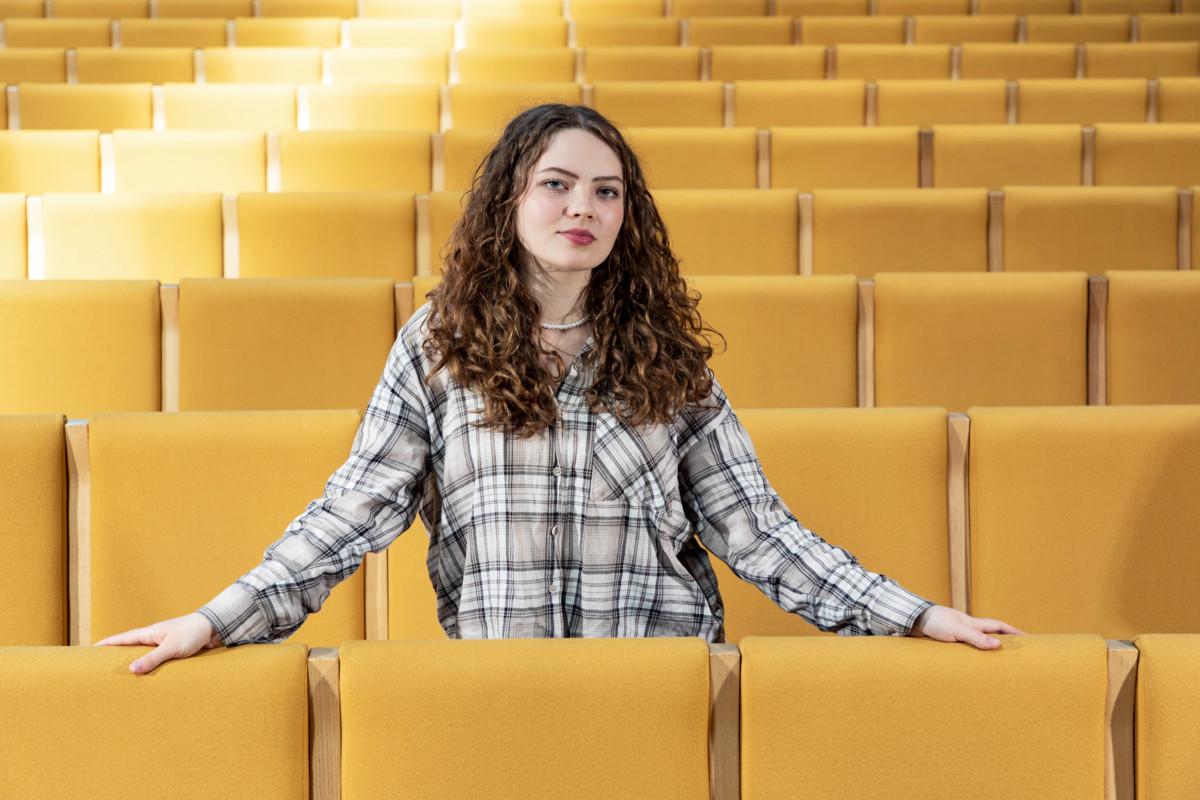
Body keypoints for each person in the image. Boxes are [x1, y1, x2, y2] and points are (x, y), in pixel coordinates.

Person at [97, 104, 1023, 674]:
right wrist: (217, 620)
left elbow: (758, 531)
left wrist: (914, 617)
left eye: (608, 192)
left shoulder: (667, 358)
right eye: (557, 184)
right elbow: (353, 513)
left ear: (629, 216)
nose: (583, 207)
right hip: (504, 691)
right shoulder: (438, 345)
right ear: (511, 200)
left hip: (661, 686)